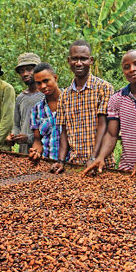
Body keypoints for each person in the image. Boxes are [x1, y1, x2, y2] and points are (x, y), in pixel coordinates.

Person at [82, 50, 136, 177]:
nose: (132, 69)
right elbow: (112, 134)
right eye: (126, 67)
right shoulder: (117, 99)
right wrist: (101, 157)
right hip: (127, 171)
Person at [51, 40, 115, 174]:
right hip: (75, 164)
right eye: (75, 59)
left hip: (101, 164)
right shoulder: (64, 95)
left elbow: (103, 125)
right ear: (69, 61)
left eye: (83, 59)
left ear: (91, 60)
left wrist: (93, 158)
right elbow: (64, 132)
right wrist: (61, 161)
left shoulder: (104, 88)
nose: (79, 63)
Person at [6, 53, 44, 154]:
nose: (25, 74)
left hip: (44, 151)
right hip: (24, 152)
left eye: (29, 69)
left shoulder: (46, 95)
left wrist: (29, 138)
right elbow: (16, 124)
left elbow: (51, 127)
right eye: (22, 71)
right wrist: (13, 136)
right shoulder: (20, 98)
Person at [28, 63, 65, 165]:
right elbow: (37, 140)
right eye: (38, 83)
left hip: (71, 164)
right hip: (47, 164)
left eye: (46, 81)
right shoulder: (36, 109)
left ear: (55, 78)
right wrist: (36, 152)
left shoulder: (71, 102)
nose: (43, 86)